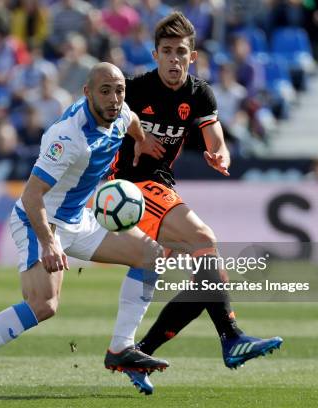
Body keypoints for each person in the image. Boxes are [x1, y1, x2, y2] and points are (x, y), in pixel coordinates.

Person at [0, 62, 169, 401]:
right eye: (105, 91)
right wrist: (48, 243)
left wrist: (142, 141)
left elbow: (130, 120)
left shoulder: (119, 112)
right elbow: (31, 196)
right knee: (43, 305)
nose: (114, 98)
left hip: (78, 218)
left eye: (119, 90)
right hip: (40, 221)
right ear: (87, 93)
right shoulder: (69, 138)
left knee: (151, 256)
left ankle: (121, 348)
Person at [107, 12, 283, 395]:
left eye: (181, 52)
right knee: (204, 238)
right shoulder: (134, 89)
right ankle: (232, 337)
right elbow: (102, 120)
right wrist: (135, 134)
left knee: (205, 274)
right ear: (155, 54)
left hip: (160, 188)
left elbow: (214, 134)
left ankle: (138, 354)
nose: (173, 59)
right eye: (166, 51)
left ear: (193, 57)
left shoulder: (199, 94)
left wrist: (220, 154)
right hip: (127, 188)